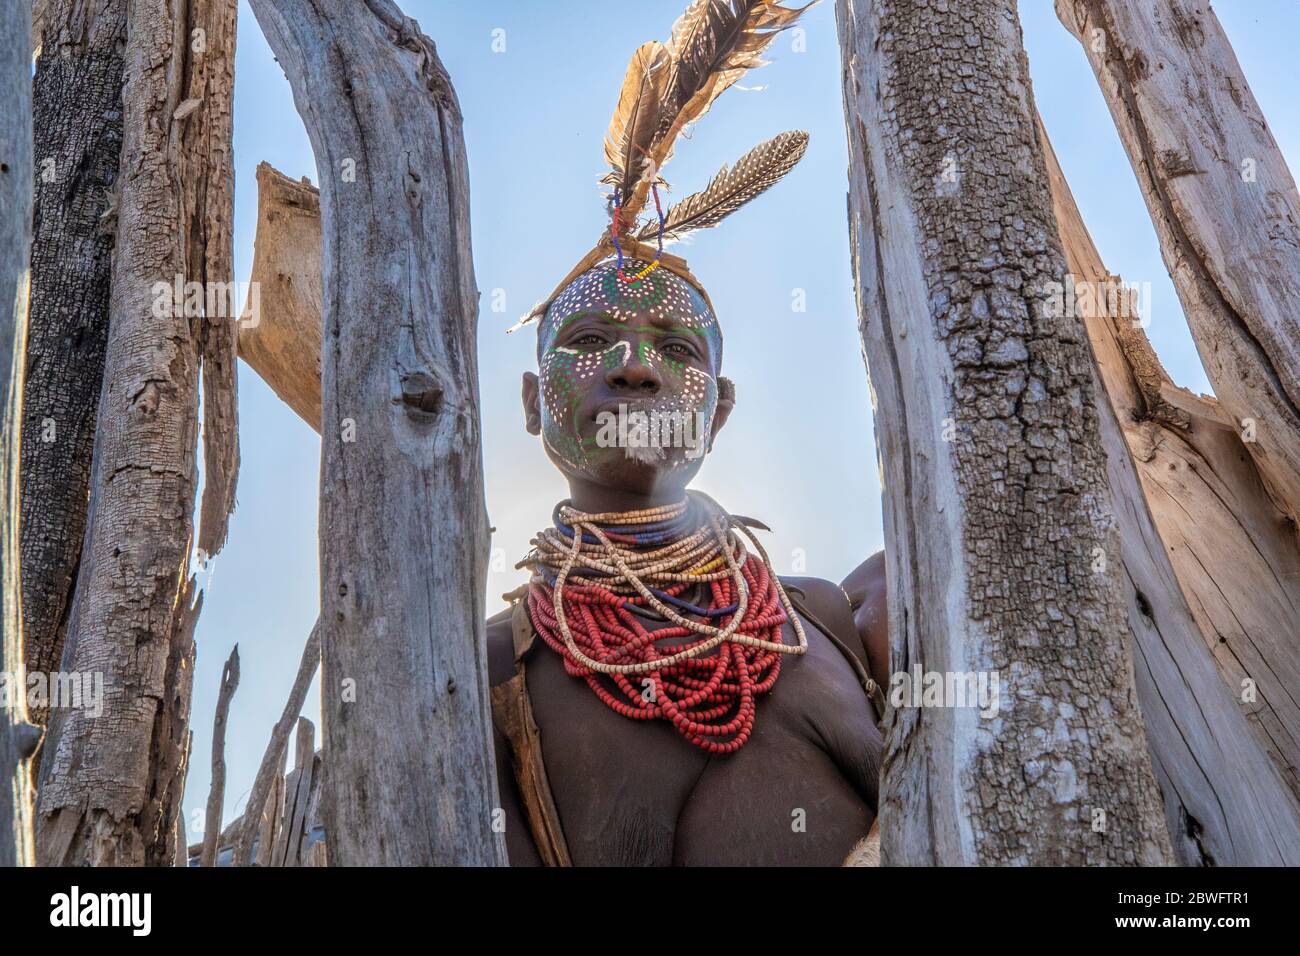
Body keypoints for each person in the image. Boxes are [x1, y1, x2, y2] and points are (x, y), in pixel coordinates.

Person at [487, 0, 887, 867]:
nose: (635, 368)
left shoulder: (834, 616)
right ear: (531, 403)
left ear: (720, 407)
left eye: (675, 349)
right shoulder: (489, 672)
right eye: (589, 344)